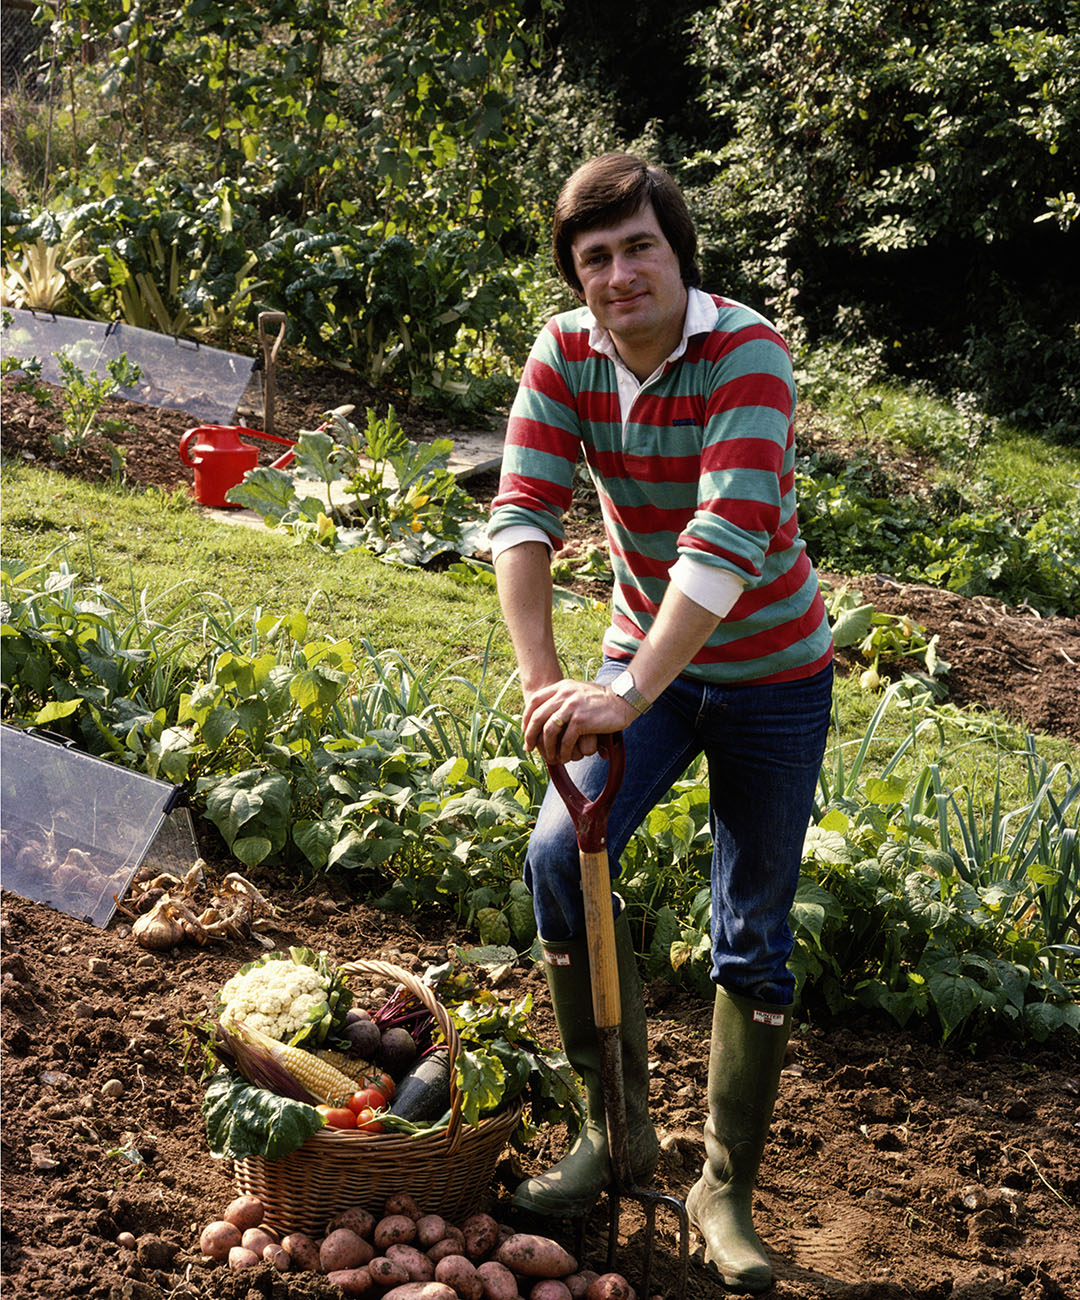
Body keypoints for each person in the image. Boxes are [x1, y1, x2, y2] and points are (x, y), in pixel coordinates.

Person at [488, 152, 834, 1294]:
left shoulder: (747, 349)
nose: (619, 273)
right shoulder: (565, 353)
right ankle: (615, 1131)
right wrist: (551, 688)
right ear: (575, 275)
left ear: (677, 251)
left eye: (640, 247)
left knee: (754, 926)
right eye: (596, 257)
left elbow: (725, 542)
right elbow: (524, 514)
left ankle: (723, 1186)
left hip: (773, 673)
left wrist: (626, 693)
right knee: (555, 852)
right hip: (648, 665)